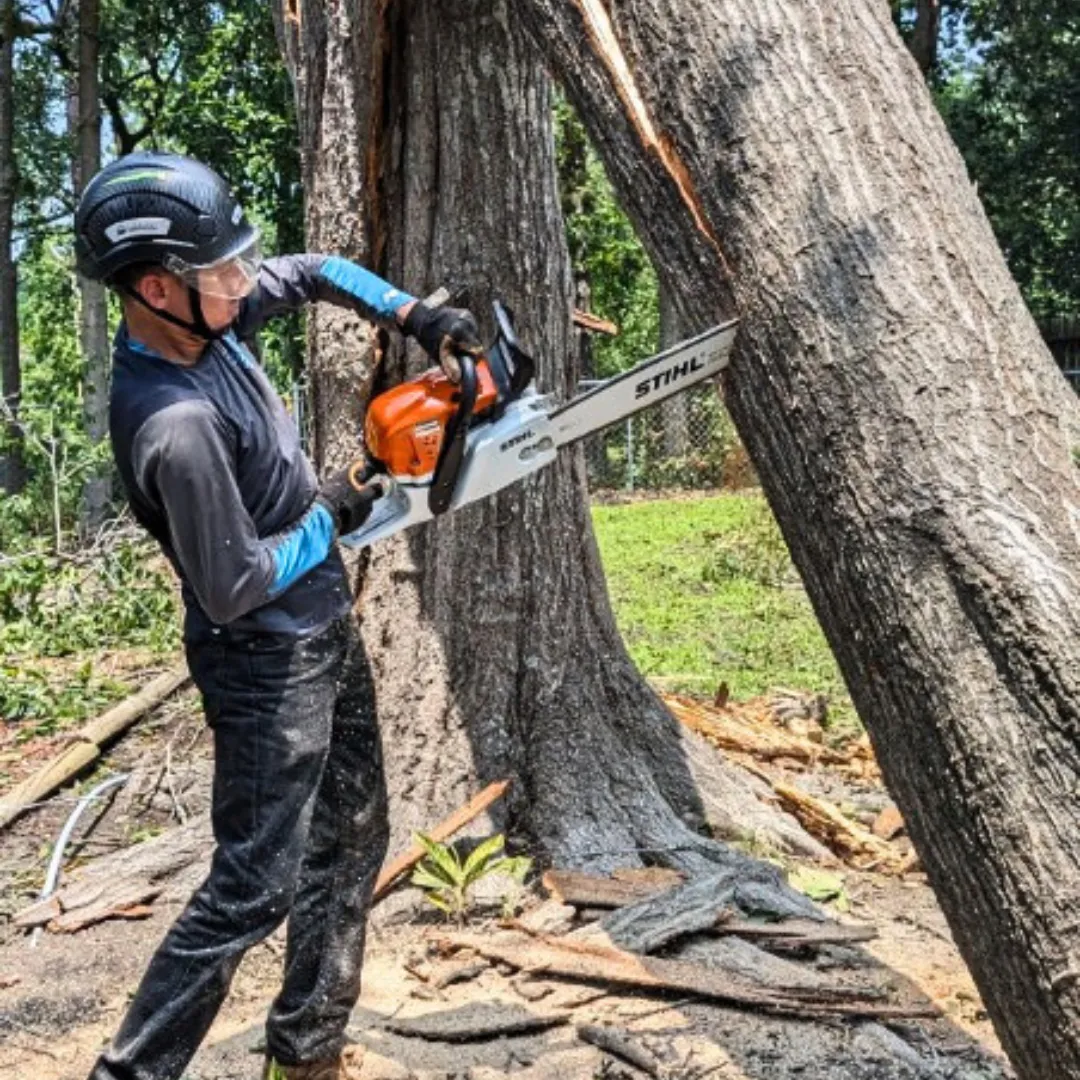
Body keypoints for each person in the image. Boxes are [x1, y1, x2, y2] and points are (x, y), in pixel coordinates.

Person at [73, 151, 482, 1080]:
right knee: (250, 889)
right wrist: (330, 513)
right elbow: (235, 582)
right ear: (154, 288)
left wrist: (417, 314)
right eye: (219, 271)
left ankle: (306, 1052)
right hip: (264, 660)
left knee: (354, 831)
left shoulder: (207, 323)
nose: (241, 281)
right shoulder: (172, 422)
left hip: (322, 628)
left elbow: (312, 272)